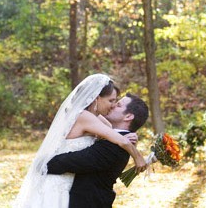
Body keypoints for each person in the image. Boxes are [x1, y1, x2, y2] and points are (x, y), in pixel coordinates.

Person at [13, 74, 147, 208]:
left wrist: (130, 136)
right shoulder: (84, 116)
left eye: (116, 103)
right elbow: (120, 139)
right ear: (96, 98)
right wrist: (137, 156)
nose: (112, 106)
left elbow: (113, 133)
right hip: (58, 178)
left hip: (67, 181)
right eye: (111, 101)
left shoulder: (96, 119)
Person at [46, 93, 149, 208]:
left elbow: (57, 163)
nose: (113, 105)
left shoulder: (113, 147)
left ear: (128, 117)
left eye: (118, 105)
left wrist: (43, 162)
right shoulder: (116, 138)